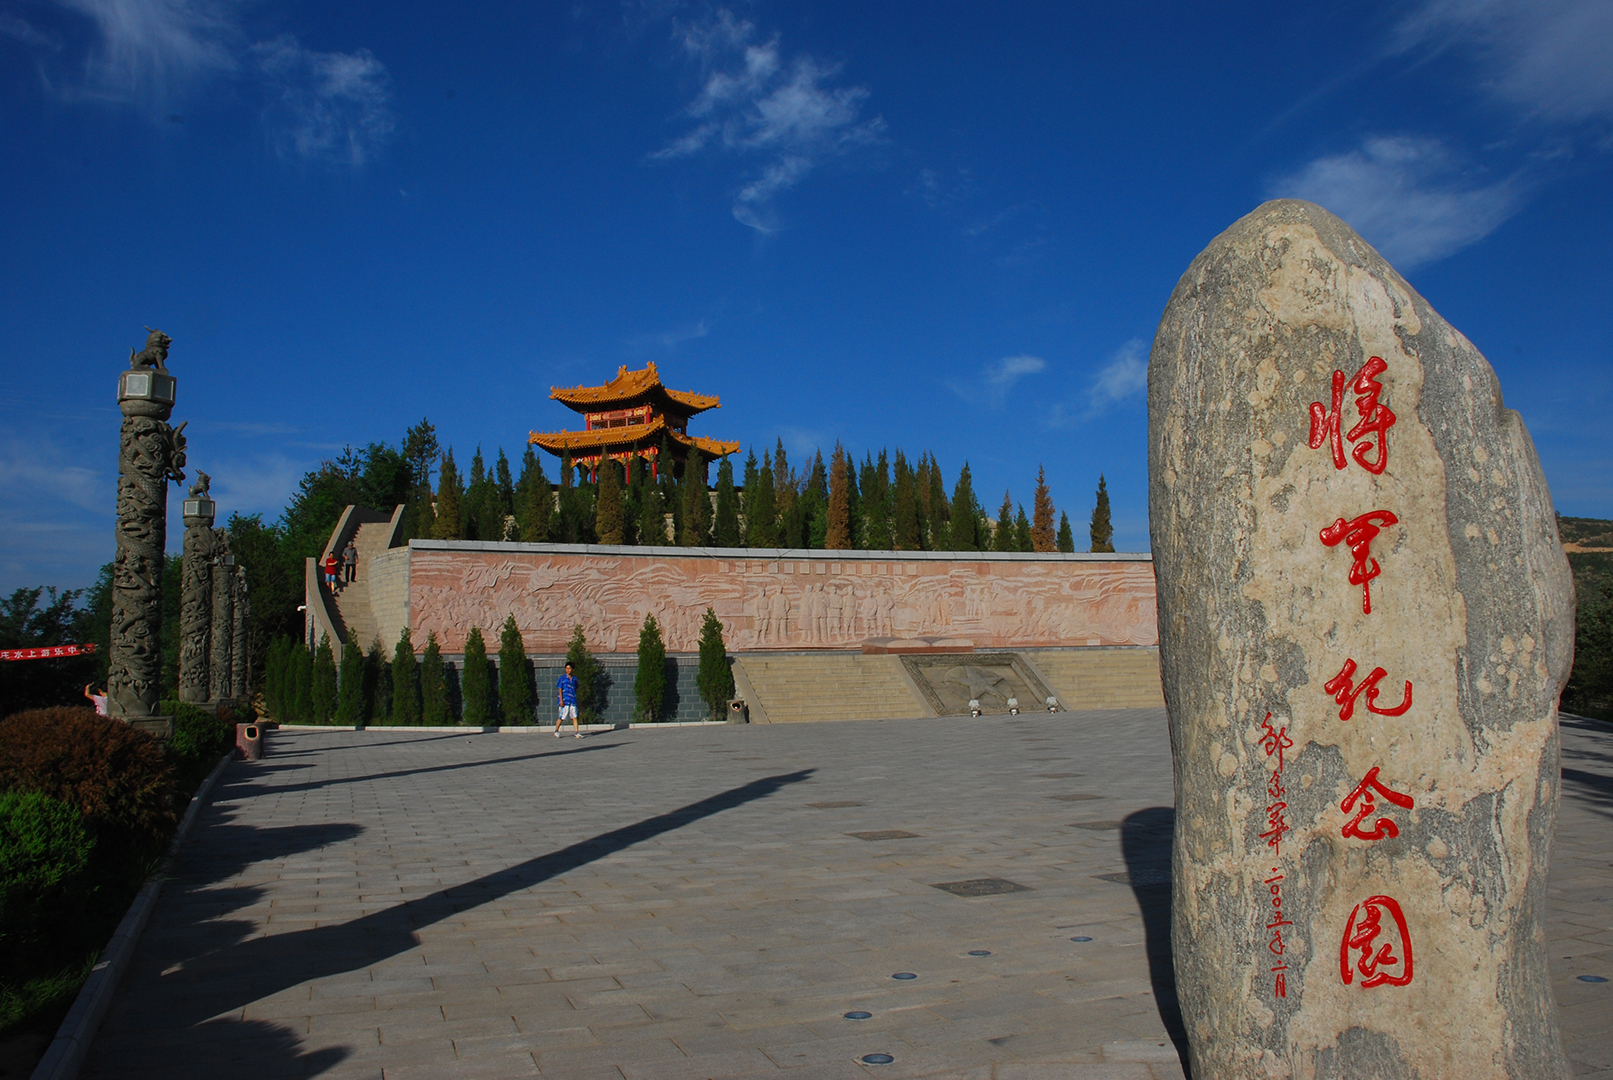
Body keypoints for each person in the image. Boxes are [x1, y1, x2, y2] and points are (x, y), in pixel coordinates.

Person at [554, 661, 582, 738]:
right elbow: (560, 689)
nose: (568, 670)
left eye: (569, 668)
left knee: (574, 717)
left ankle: (576, 732)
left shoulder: (574, 679)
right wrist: (561, 700)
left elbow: (576, 688)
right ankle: (556, 730)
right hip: (565, 701)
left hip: (572, 701)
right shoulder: (562, 678)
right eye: (566, 668)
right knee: (562, 717)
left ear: (573, 669)